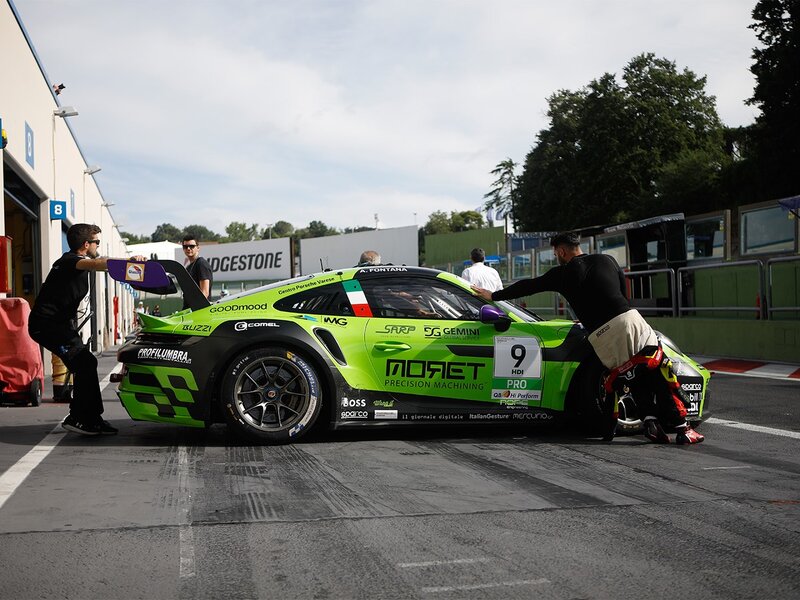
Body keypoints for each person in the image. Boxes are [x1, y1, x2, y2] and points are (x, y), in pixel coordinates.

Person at [472, 231, 703, 445]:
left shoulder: (561, 274)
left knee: (627, 377)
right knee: (655, 371)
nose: (556, 258)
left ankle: (650, 421)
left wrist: (493, 295)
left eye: (556, 254)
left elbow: (528, 286)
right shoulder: (607, 260)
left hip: (599, 335)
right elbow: (623, 292)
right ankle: (683, 429)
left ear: (562, 251)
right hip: (627, 320)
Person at [28, 223, 146, 436]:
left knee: (86, 363)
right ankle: (79, 418)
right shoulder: (70, 261)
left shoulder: (75, 262)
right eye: (96, 242)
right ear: (86, 244)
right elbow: (99, 264)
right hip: (47, 326)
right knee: (84, 364)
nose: (97, 246)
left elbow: (98, 263)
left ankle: (91, 418)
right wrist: (129, 262)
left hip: (59, 326)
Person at [182, 235, 213, 307]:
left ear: (198, 248)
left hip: (198, 311)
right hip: (189, 310)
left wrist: (195, 309)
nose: (188, 249)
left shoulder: (201, 264)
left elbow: (205, 292)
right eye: (185, 247)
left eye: (191, 246)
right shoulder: (189, 267)